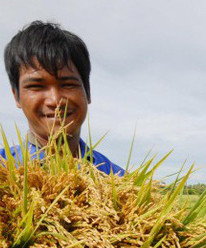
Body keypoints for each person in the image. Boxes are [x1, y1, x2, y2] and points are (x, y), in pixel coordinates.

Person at [1, 20, 124, 176]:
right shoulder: (4, 173)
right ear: (16, 96)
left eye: (68, 85)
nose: (55, 100)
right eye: (37, 87)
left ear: (88, 92)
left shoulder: (119, 181)